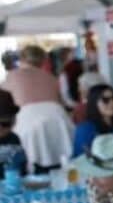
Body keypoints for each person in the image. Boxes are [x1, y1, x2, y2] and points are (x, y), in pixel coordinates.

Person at [0, 44, 72, 173]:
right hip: (57, 117)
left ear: (21, 59)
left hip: (27, 118)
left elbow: (5, 102)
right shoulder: (50, 77)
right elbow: (61, 101)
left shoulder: (12, 76)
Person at [72, 84, 113, 156]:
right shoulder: (86, 129)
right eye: (105, 100)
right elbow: (81, 158)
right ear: (94, 103)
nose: (112, 103)